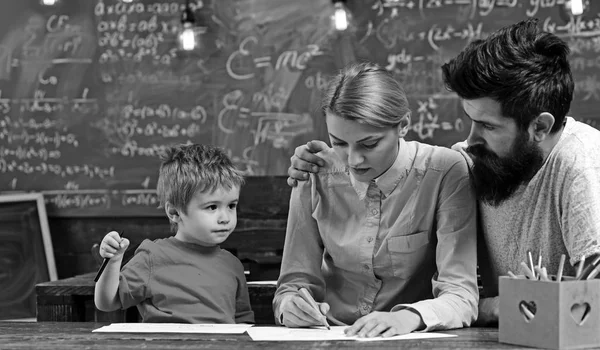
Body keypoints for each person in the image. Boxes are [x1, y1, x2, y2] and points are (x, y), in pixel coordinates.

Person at [286, 18, 600, 326]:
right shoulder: (471, 160)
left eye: (488, 126)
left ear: (540, 127)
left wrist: (487, 307)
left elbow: (593, 300)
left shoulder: (579, 164)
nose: (469, 139)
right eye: (471, 120)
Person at [274, 61, 479, 338]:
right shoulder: (314, 172)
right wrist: (292, 307)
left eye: (369, 144)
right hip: (329, 335)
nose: (353, 160)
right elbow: (291, 285)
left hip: (409, 338)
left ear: (403, 125)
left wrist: (409, 318)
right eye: (339, 143)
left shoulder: (445, 172)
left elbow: (461, 295)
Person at [94, 144, 255, 324]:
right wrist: (113, 261)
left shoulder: (232, 265)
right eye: (212, 207)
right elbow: (107, 302)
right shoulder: (152, 257)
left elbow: (243, 321)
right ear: (174, 212)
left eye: (231, 206)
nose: (225, 218)